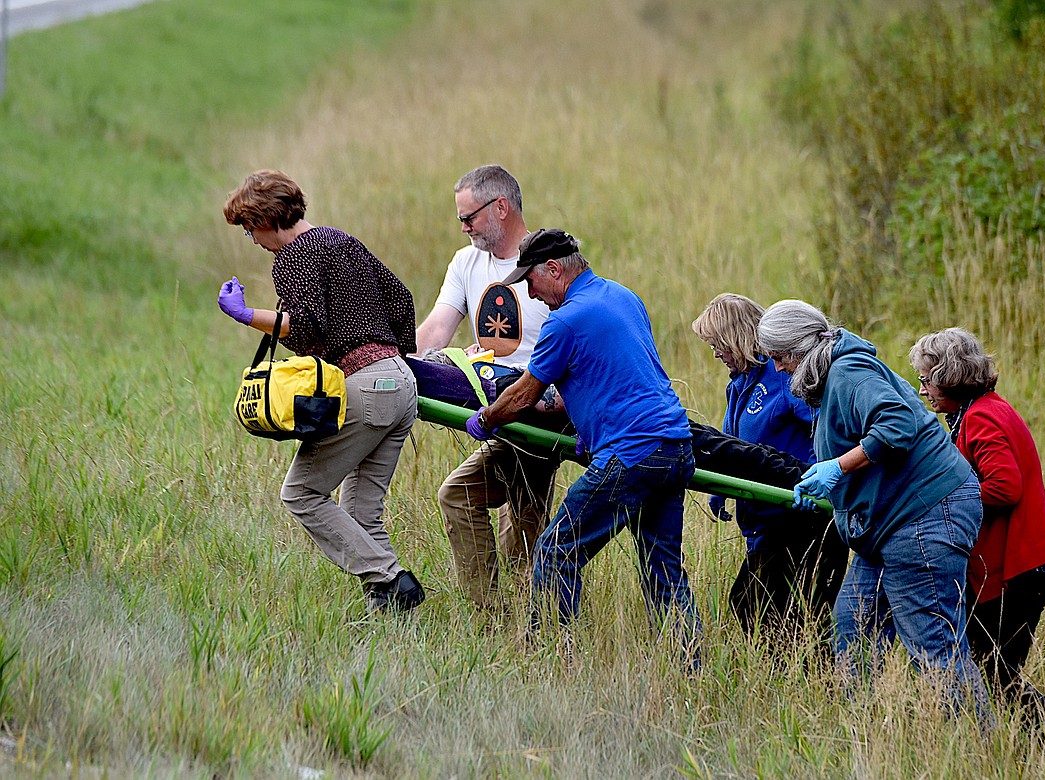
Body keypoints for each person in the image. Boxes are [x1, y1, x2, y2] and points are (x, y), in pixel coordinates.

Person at [466, 229, 700, 664]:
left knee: (556, 550)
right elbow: (611, 376)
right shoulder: (623, 296)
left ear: (554, 270)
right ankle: (690, 670)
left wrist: (485, 419)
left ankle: (554, 660)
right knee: (664, 571)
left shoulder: (565, 320)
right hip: (674, 445)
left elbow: (523, 395)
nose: (531, 296)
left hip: (631, 454)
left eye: (531, 283)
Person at [757, 300, 989, 716]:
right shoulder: (831, 376)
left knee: (935, 651)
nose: (776, 369)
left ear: (797, 349)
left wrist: (837, 467)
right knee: (853, 630)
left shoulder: (848, 372)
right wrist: (833, 484)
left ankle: (982, 753)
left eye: (778, 357)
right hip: (888, 527)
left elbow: (897, 425)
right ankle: (868, 736)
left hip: (923, 516)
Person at [217, 169, 423, 612]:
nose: (253, 240)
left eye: (250, 229)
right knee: (361, 511)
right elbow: (401, 298)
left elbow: (306, 326)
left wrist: (246, 314)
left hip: (365, 388)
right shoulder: (341, 241)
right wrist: (398, 360)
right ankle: (389, 618)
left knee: (301, 494)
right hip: (401, 386)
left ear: (268, 219)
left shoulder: (291, 258)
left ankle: (393, 579)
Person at [909, 328, 1045, 737]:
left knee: (997, 676)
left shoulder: (982, 415)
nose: (923, 389)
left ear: (950, 377)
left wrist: (944, 498)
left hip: (1023, 566)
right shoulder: (978, 411)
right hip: (1020, 565)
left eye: (927, 379)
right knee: (994, 672)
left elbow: (1004, 486)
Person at [414, 164, 560, 608]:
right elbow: (437, 329)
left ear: (500, 208)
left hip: (540, 409)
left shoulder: (549, 263)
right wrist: (405, 365)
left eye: (468, 217)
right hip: (490, 402)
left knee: (471, 500)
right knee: (525, 526)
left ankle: (498, 618)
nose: (463, 228)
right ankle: (526, 619)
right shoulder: (466, 262)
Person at [691, 293, 847, 638]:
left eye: (720, 345)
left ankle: (808, 683)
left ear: (738, 339)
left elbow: (826, 428)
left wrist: (819, 476)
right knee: (752, 605)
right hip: (763, 518)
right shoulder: (738, 386)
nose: (716, 354)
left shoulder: (782, 377)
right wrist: (721, 488)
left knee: (767, 609)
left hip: (798, 516)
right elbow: (736, 446)